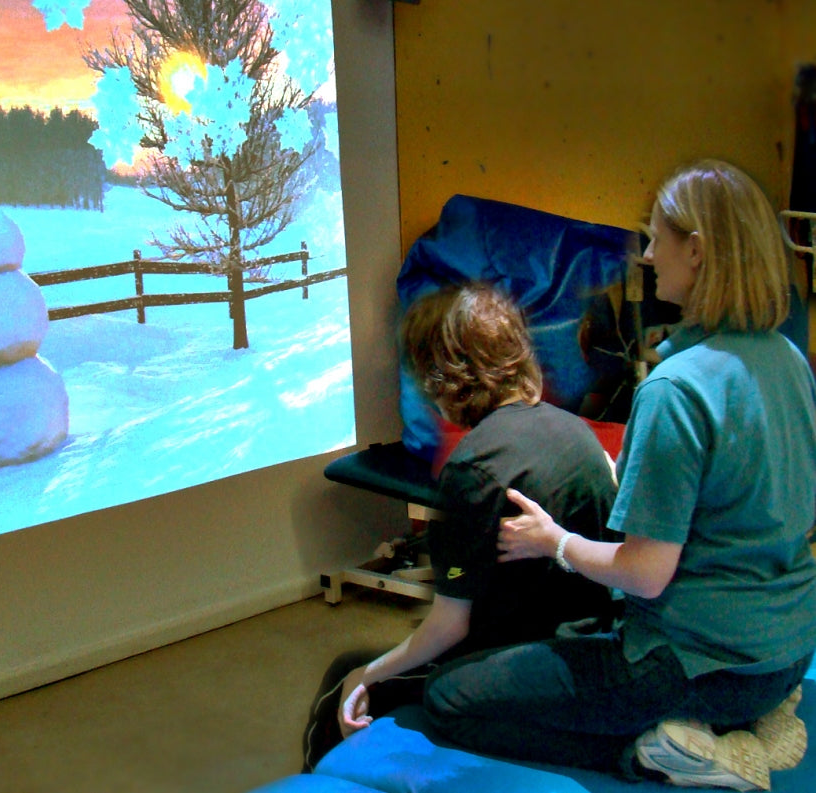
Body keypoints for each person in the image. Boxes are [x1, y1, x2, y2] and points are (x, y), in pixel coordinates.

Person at [422, 159, 816, 792]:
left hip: (697, 664)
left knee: (449, 698)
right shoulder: (789, 361)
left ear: (697, 251)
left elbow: (646, 574)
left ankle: (658, 753)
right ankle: (753, 720)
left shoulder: (675, 389)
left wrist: (555, 542)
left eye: (658, 238)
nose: (649, 255)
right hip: (788, 650)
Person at [302, 281, 622, 771]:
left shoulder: (473, 470)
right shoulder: (576, 433)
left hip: (519, 664)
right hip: (591, 648)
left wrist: (368, 675)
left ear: (442, 379)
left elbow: (450, 626)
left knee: (343, 679)